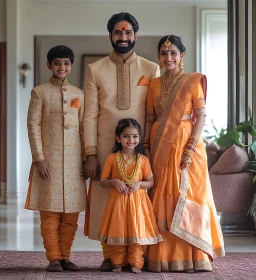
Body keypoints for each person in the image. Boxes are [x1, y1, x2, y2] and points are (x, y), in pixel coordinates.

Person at [83, 12, 160, 271]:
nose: (123, 37)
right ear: (110, 36)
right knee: (106, 201)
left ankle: (135, 256)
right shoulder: (95, 69)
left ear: (135, 35)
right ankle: (110, 255)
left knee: (136, 201)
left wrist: (149, 148)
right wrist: (91, 153)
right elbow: (89, 115)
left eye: (128, 33)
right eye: (118, 33)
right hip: (106, 146)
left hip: (140, 149)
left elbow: (155, 113)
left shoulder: (151, 69)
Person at [144, 35, 225, 272]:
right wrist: (147, 149)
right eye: (163, 53)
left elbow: (200, 117)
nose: (168, 58)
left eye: (173, 53)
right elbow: (150, 119)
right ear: (158, 56)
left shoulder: (192, 81)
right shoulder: (154, 84)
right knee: (162, 194)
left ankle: (194, 256)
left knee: (190, 193)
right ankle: (164, 256)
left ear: (182, 56)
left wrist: (190, 147)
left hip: (188, 142)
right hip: (160, 143)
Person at [25, 45, 87, 272]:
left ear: (71, 66)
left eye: (67, 63)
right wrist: (38, 158)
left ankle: (65, 257)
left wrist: (85, 158)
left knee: (71, 214)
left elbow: (82, 129)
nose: (62, 67)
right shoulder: (40, 92)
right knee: (50, 213)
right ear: (49, 65)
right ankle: (53, 257)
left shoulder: (78, 94)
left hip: (73, 164)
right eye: (58, 63)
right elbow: (33, 126)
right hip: (48, 163)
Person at [98, 118, 162, 274]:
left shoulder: (143, 160)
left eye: (135, 136)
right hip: (117, 203)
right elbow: (102, 181)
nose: (131, 140)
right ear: (118, 138)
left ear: (139, 138)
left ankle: (136, 263)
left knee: (137, 232)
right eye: (126, 136)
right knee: (117, 231)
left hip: (138, 204)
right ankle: (117, 263)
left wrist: (139, 184)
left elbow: (151, 182)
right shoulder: (112, 158)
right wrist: (114, 182)